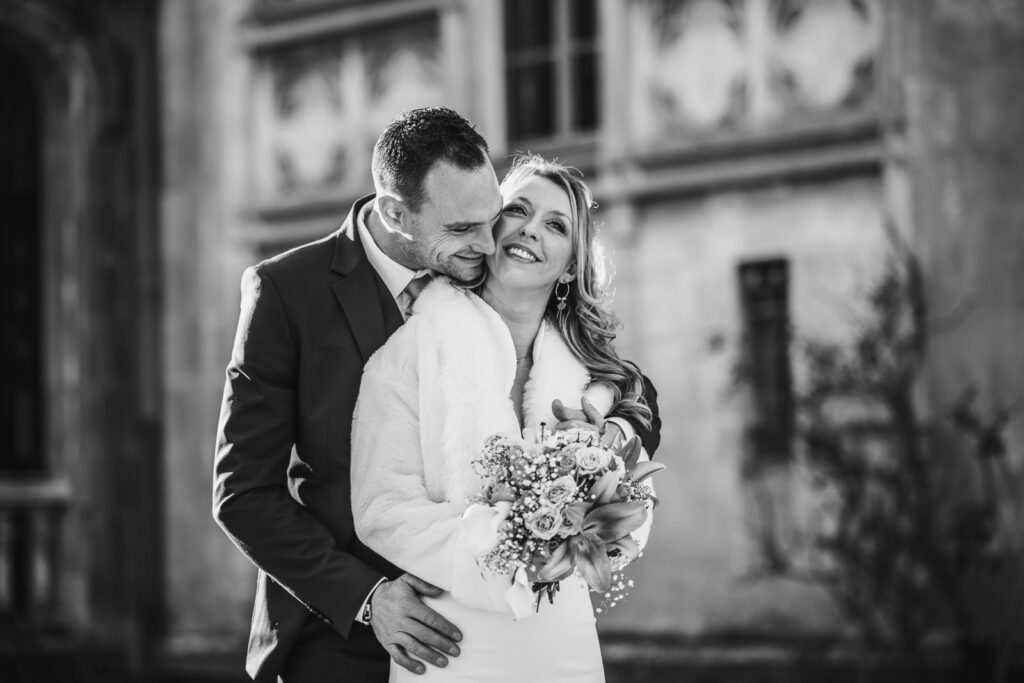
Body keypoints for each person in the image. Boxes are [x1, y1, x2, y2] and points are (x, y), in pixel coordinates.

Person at [212, 108, 661, 683]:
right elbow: (243, 493)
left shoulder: (479, 260)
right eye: (466, 229)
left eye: (492, 217)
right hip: (338, 626)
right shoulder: (286, 292)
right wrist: (368, 598)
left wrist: (614, 434)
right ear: (397, 213)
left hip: (510, 627)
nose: (491, 240)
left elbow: (620, 382)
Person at [350, 154, 658, 682]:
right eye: (518, 210)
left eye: (556, 225)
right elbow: (383, 508)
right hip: (451, 638)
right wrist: (508, 544)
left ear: (569, 266)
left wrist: (601, 513)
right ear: (491, 227)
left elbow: (634, 509)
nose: (530, 230)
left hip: (563, 638)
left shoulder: (597, 382)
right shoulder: (411, 350)